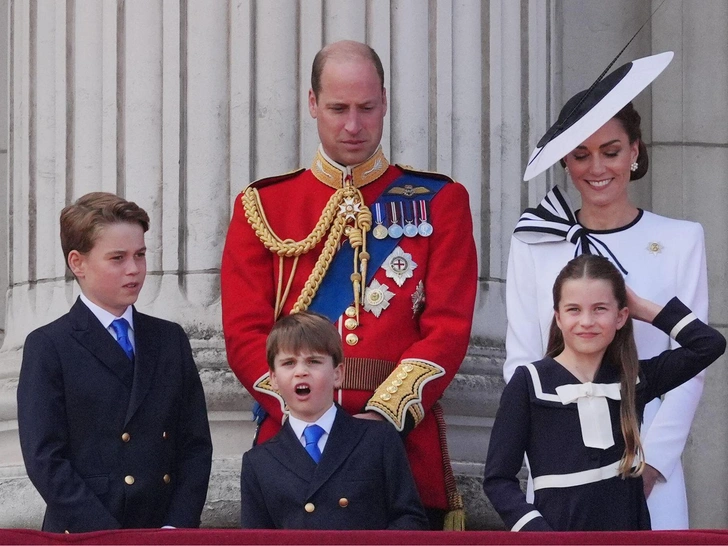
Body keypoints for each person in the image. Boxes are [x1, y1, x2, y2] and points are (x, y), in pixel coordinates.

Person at [221, 40, 477, 529]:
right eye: (338, 108)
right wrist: (307, 413)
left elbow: (447, 328)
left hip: (399, 445)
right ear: (313, 103)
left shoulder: (440, 200)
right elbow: (244, 334)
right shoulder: (263, 206)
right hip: (295, 445)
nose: (354, 125)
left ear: (385, 100)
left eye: (367, 108)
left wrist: (383, 416)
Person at [505, 52, 708, 529]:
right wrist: (549, 460)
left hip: (647, 459)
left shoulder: (682, 239)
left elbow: (692, 366)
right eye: (580, 154)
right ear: (566, 162)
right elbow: (521, 361)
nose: (596, 167)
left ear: (635, 152)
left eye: (611, 151)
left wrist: (651, 464)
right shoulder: (535, 242)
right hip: (559, 465)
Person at [17, 192, 213, 533]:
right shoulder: (49, 345)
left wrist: (177, 527)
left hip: (161, 531)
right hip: (85, 533)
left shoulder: (170, 340)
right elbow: (45, 457)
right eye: (117, 258)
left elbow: (194, 445)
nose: (134, 269)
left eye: (140, 255)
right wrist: (104, 536)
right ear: (77, 263)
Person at [485, 254, 725, 531]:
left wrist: (642, 308)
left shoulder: (634, 379)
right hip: (555, 538)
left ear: (621, 316)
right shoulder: (529, 382)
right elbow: (498, 479)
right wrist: (539, 535)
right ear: (558, 318)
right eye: (574, 309)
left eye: (600, 309)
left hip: (628, 536)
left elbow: (709, 344)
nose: (587, 321)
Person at [240, 312, 428, 530]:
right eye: (289, 363)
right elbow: (255, 540)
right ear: (273, 379)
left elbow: (410, 520)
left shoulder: (378, 440)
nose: (301, 372)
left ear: (338, 374)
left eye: (314, 361)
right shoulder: (259, 462)